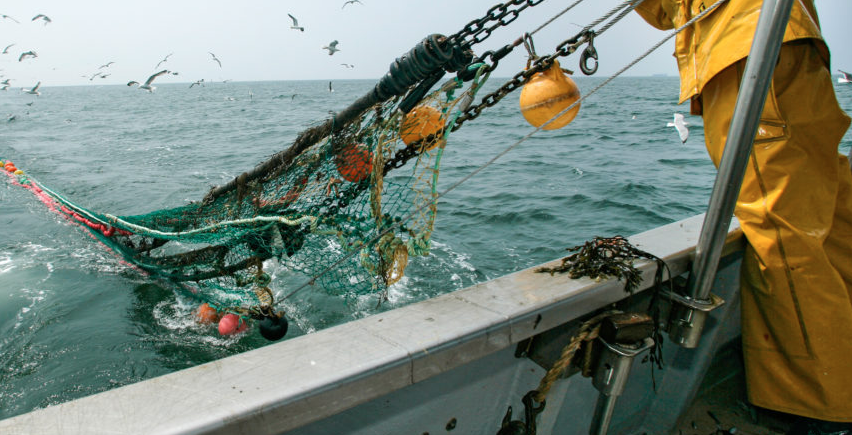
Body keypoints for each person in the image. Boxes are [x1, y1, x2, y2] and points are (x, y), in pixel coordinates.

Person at [635, 1, 852, 433]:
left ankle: (820, 407)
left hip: (746, 50)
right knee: (831, 221)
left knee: (782, 236)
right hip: (789, 43)